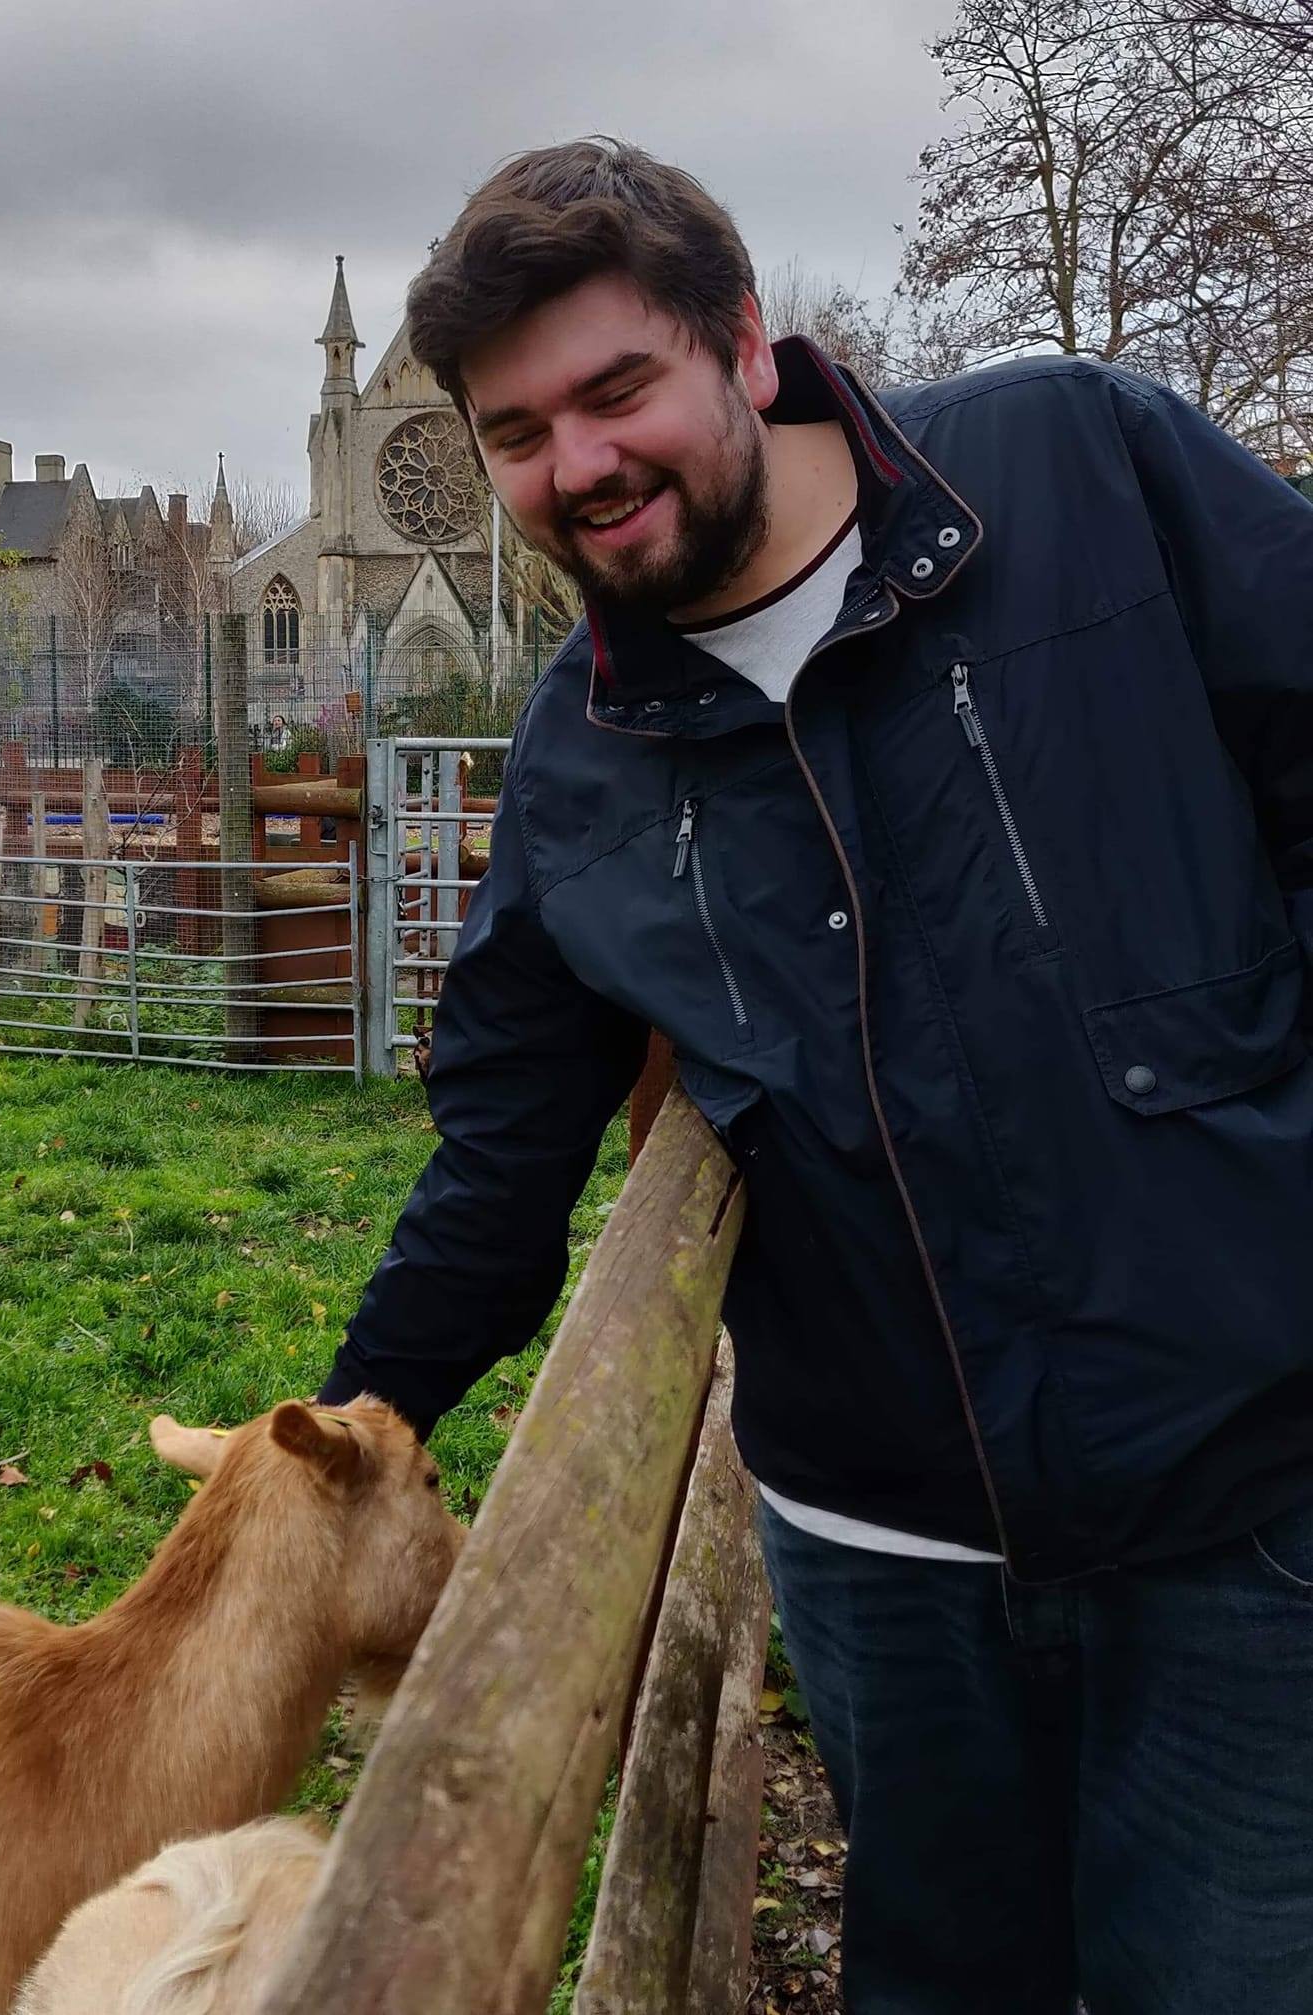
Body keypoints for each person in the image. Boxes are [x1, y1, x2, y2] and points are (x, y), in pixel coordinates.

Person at [317, 138, 1313, 2013]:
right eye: (519, 433)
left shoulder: (1076, 472)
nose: (580, 465)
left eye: (618, 389)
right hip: (883, 1557)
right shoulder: (580, 765)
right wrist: (340, 1436)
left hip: (1241, 1504)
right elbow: (499, 1158)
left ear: (744, 342)